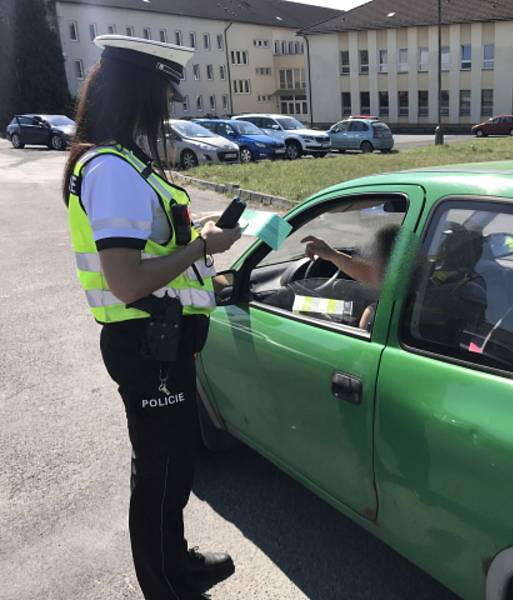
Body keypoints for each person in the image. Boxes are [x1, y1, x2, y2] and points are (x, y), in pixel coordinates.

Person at [62, 35, 241, 600]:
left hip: (159, 341)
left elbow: (148, 246)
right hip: (146, 344)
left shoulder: (122, 162)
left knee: (172, 464)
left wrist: (193, 230)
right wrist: (204, 248)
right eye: (164, 92)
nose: (168, 106)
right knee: (161, 470)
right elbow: (127, 280)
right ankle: (166, 583)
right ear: (139, 94)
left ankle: (175, 560)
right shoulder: (112, 169)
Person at [301, 225, 399, 329]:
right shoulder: (410, 292)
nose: (369, 261)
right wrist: (332, 254)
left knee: (304, 307)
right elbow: (369, 273)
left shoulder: (375, 316)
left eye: (374, 257)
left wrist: (318, 318)